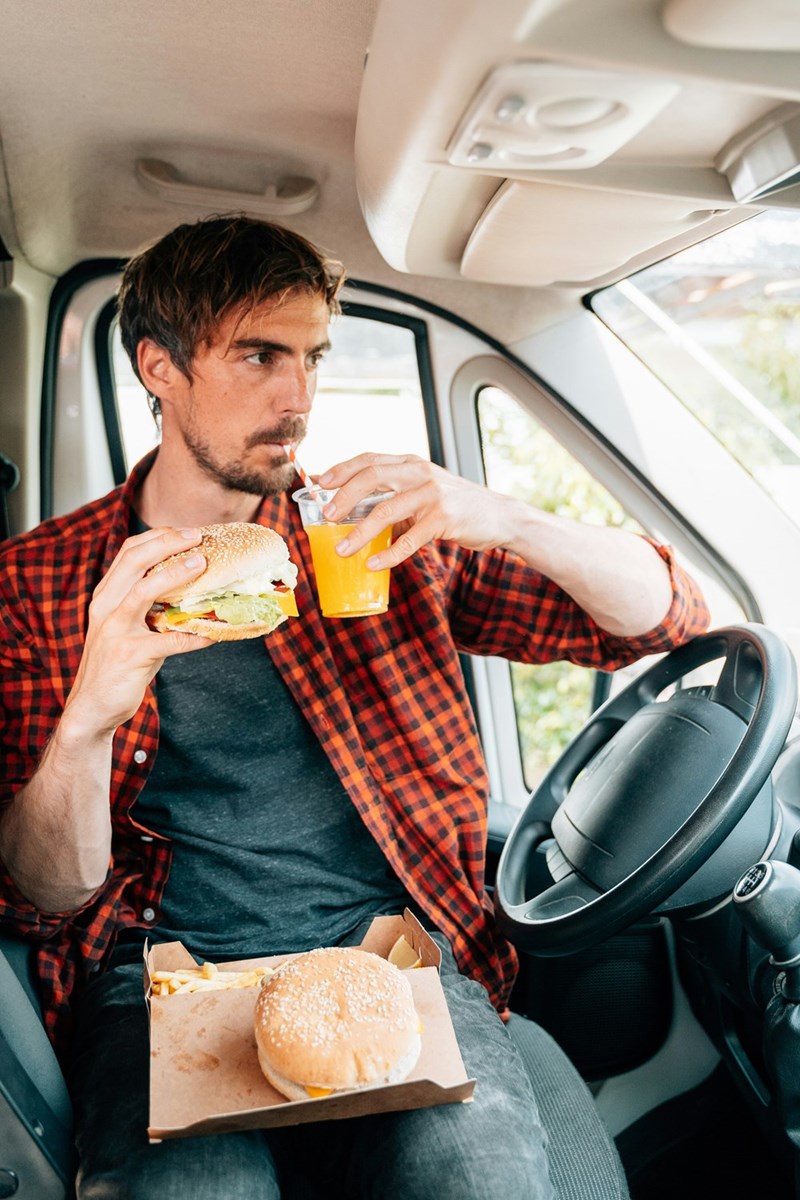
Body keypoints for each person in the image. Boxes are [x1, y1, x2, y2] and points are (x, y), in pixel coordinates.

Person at [0, 214, 710, 1199]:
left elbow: (661, 615)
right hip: (167, 978)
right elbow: (45, 894)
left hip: (395, 956)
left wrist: (488, 513)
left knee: (479, 1186)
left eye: (311, 356)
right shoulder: (42, 582)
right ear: (158, 367)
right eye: (259, 355)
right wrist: (87, 718)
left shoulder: (373, 537)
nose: (298, 397)